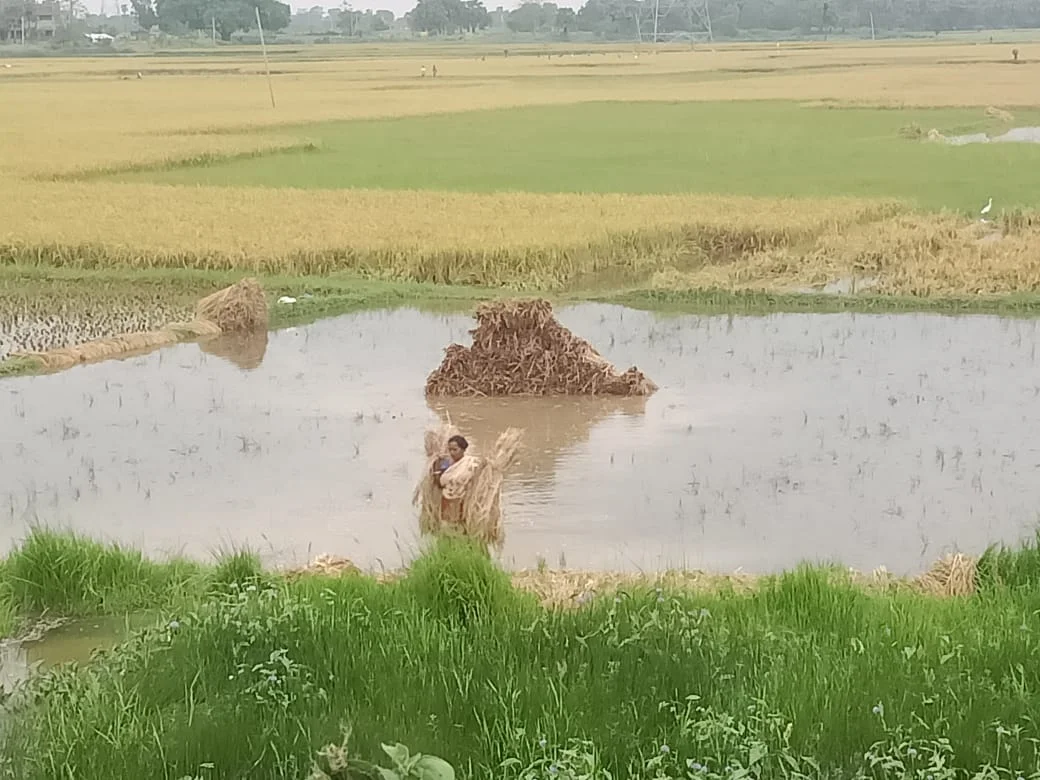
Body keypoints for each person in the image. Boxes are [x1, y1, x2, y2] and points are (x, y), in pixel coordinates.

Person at [433, 435, 469, 524]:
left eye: (455, 449)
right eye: (450, 450)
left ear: (463, 450)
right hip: (447, 500)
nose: (452, 453)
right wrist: (436, 465)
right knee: (446, 525)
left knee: (461, 526)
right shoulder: (445, 463)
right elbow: (439, 483)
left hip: (463, 501)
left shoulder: (470, 464)